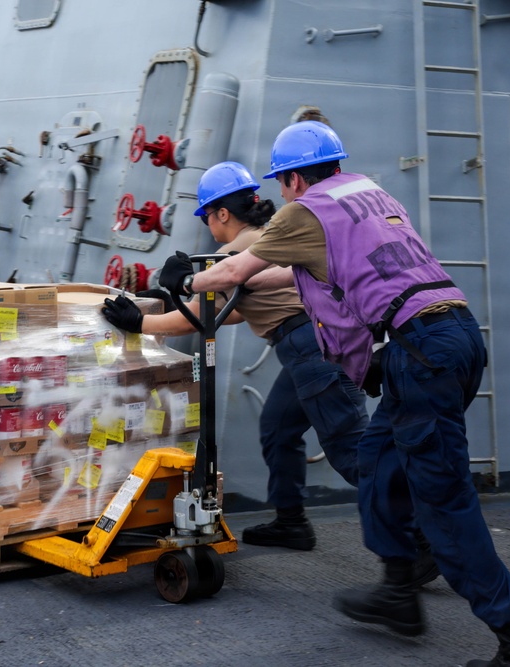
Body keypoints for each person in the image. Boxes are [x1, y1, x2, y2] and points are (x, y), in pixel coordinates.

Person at [156, 121, 510, 667]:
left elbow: (241, 271)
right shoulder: (370, 194)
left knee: (446, 502)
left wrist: (186, 279)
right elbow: (304, 279)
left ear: (290, 179)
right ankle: (398, 591)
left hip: (422, 350)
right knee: (375, 461)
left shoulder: (303, 209)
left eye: (282, 183)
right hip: (444, 335)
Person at [101, 161, 367, 551]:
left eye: (207, 215)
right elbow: (238, 308)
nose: (209, 224)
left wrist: (138, 323)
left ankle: (421, 540)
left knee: (355, 454)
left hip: (313, 347)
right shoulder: (266, 237)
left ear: (222, 213)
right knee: (278, 429)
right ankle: (291, 522)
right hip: (312, 344)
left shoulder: (234, 251)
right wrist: (173, 303)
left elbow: (194, 320)